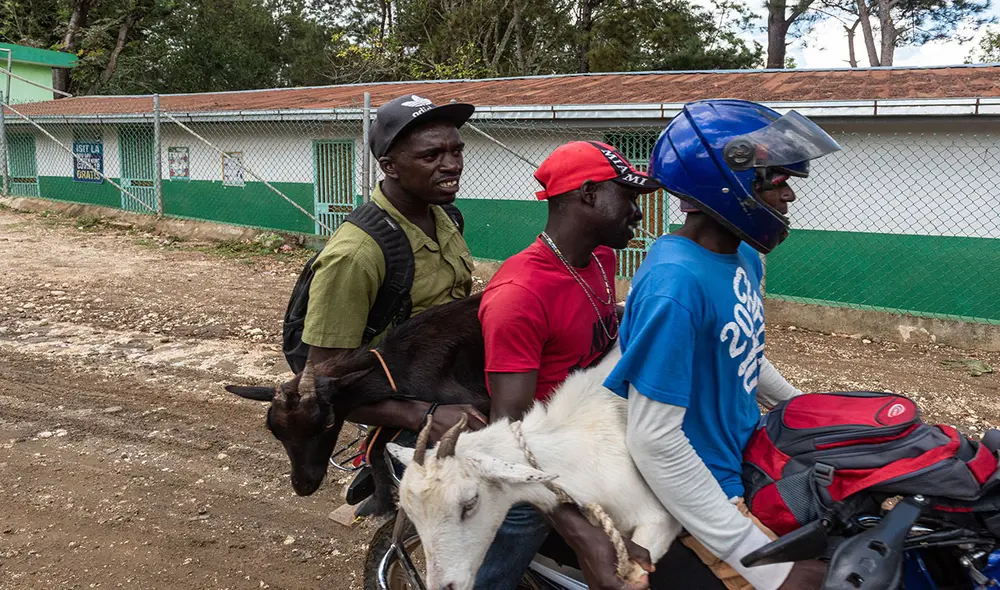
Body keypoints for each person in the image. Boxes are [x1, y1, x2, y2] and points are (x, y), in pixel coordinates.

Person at [594, 99, 842, 590]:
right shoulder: (675, 284)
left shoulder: (743, 256)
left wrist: (810, 410)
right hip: (708, 488)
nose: (789, 193)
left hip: (749, 453)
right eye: (775, 178)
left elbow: (743, 351)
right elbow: (655, 439)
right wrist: (759, 563)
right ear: (725, 184)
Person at [474, 141, 661, 589]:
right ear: (589, 194)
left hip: (594, 431)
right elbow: (511, 427)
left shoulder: (600, 257)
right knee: (517, 528)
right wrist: (580, 531)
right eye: (629, 197)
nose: (638, 213)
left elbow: (597, 328)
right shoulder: (520, 294)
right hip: (540, 452)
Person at [301, 93, 487, 440]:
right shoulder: (356, 254)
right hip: (411, 415)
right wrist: (423, 416)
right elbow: (322, 385)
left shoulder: (445, 216)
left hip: (457, 388)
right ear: (390, 167)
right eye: (432, 155)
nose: (453, 164)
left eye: (456, 150)